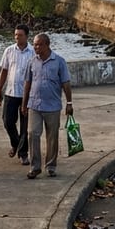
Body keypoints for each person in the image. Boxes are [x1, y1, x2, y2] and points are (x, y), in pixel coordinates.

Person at [21, 32, 73, 178]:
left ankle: (50, 165)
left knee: (52, 136)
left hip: (53, 106)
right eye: (35, 44)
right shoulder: (32, 62)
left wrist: (69, 102)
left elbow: (66, 83)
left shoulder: (59, 62)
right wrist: (24, 104)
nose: (36, 47)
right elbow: (27, 84)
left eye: (39, 44)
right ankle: (35, 166)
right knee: (32, 133)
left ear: (47, 45)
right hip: (34, 105)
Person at [0, 25, 35, 166]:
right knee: (7, 121)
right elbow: (4, 71)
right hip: (11, 92)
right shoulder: (9, 51)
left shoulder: (33, 52)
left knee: (25, 126)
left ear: (26, 36)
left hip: (27, 94)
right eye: (15, 35)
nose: (17, 38)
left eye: (20, 35)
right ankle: (16, 143)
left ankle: (23, 153)